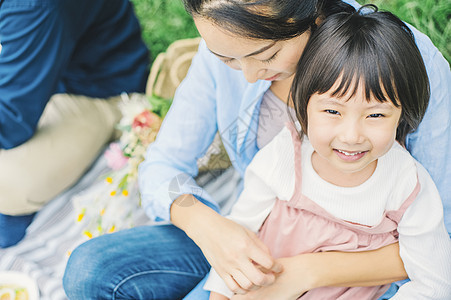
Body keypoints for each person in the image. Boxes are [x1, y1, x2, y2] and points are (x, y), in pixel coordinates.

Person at [63, 0, 451, 299]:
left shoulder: (398, 58)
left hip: (362, 268)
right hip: (260, 237)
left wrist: (305, 272)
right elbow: (162, 165)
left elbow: (440, 235)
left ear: (312, 16)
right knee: (90, 269)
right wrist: (206, 225)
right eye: (228, 59)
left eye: (265, 56)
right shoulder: (226, 52)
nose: (247, 76)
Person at [205, 6, 451, 299]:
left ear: (403, 116)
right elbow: (239, 236)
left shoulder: (407, 183)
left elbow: (435, 281)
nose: (351, 136)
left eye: (376, 116)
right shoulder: (285, 155)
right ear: (302, 103)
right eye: (332, 111)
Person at [0, 0, 150, 248]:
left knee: (8, 184)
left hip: (99, 93)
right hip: (43, 71)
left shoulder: (32, 7)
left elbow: (11, 121)